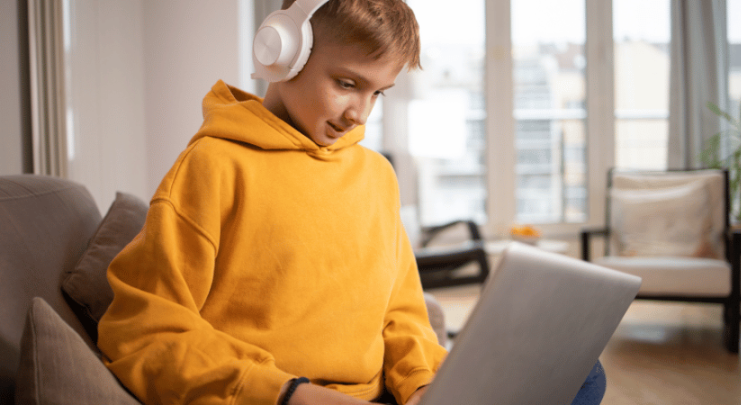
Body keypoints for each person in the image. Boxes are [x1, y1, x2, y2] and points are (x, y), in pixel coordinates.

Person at [98, 1, 606, 404]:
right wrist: (291, 394)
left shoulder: (375, 176)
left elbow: (402, 314)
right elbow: (143, 331)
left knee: (582, 373)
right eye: (346, 84)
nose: (358, 114)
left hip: (380, 395)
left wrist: (422, 384)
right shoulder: (213, 166)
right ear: (284, 54)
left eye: (378, 93)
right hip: (278, 397)